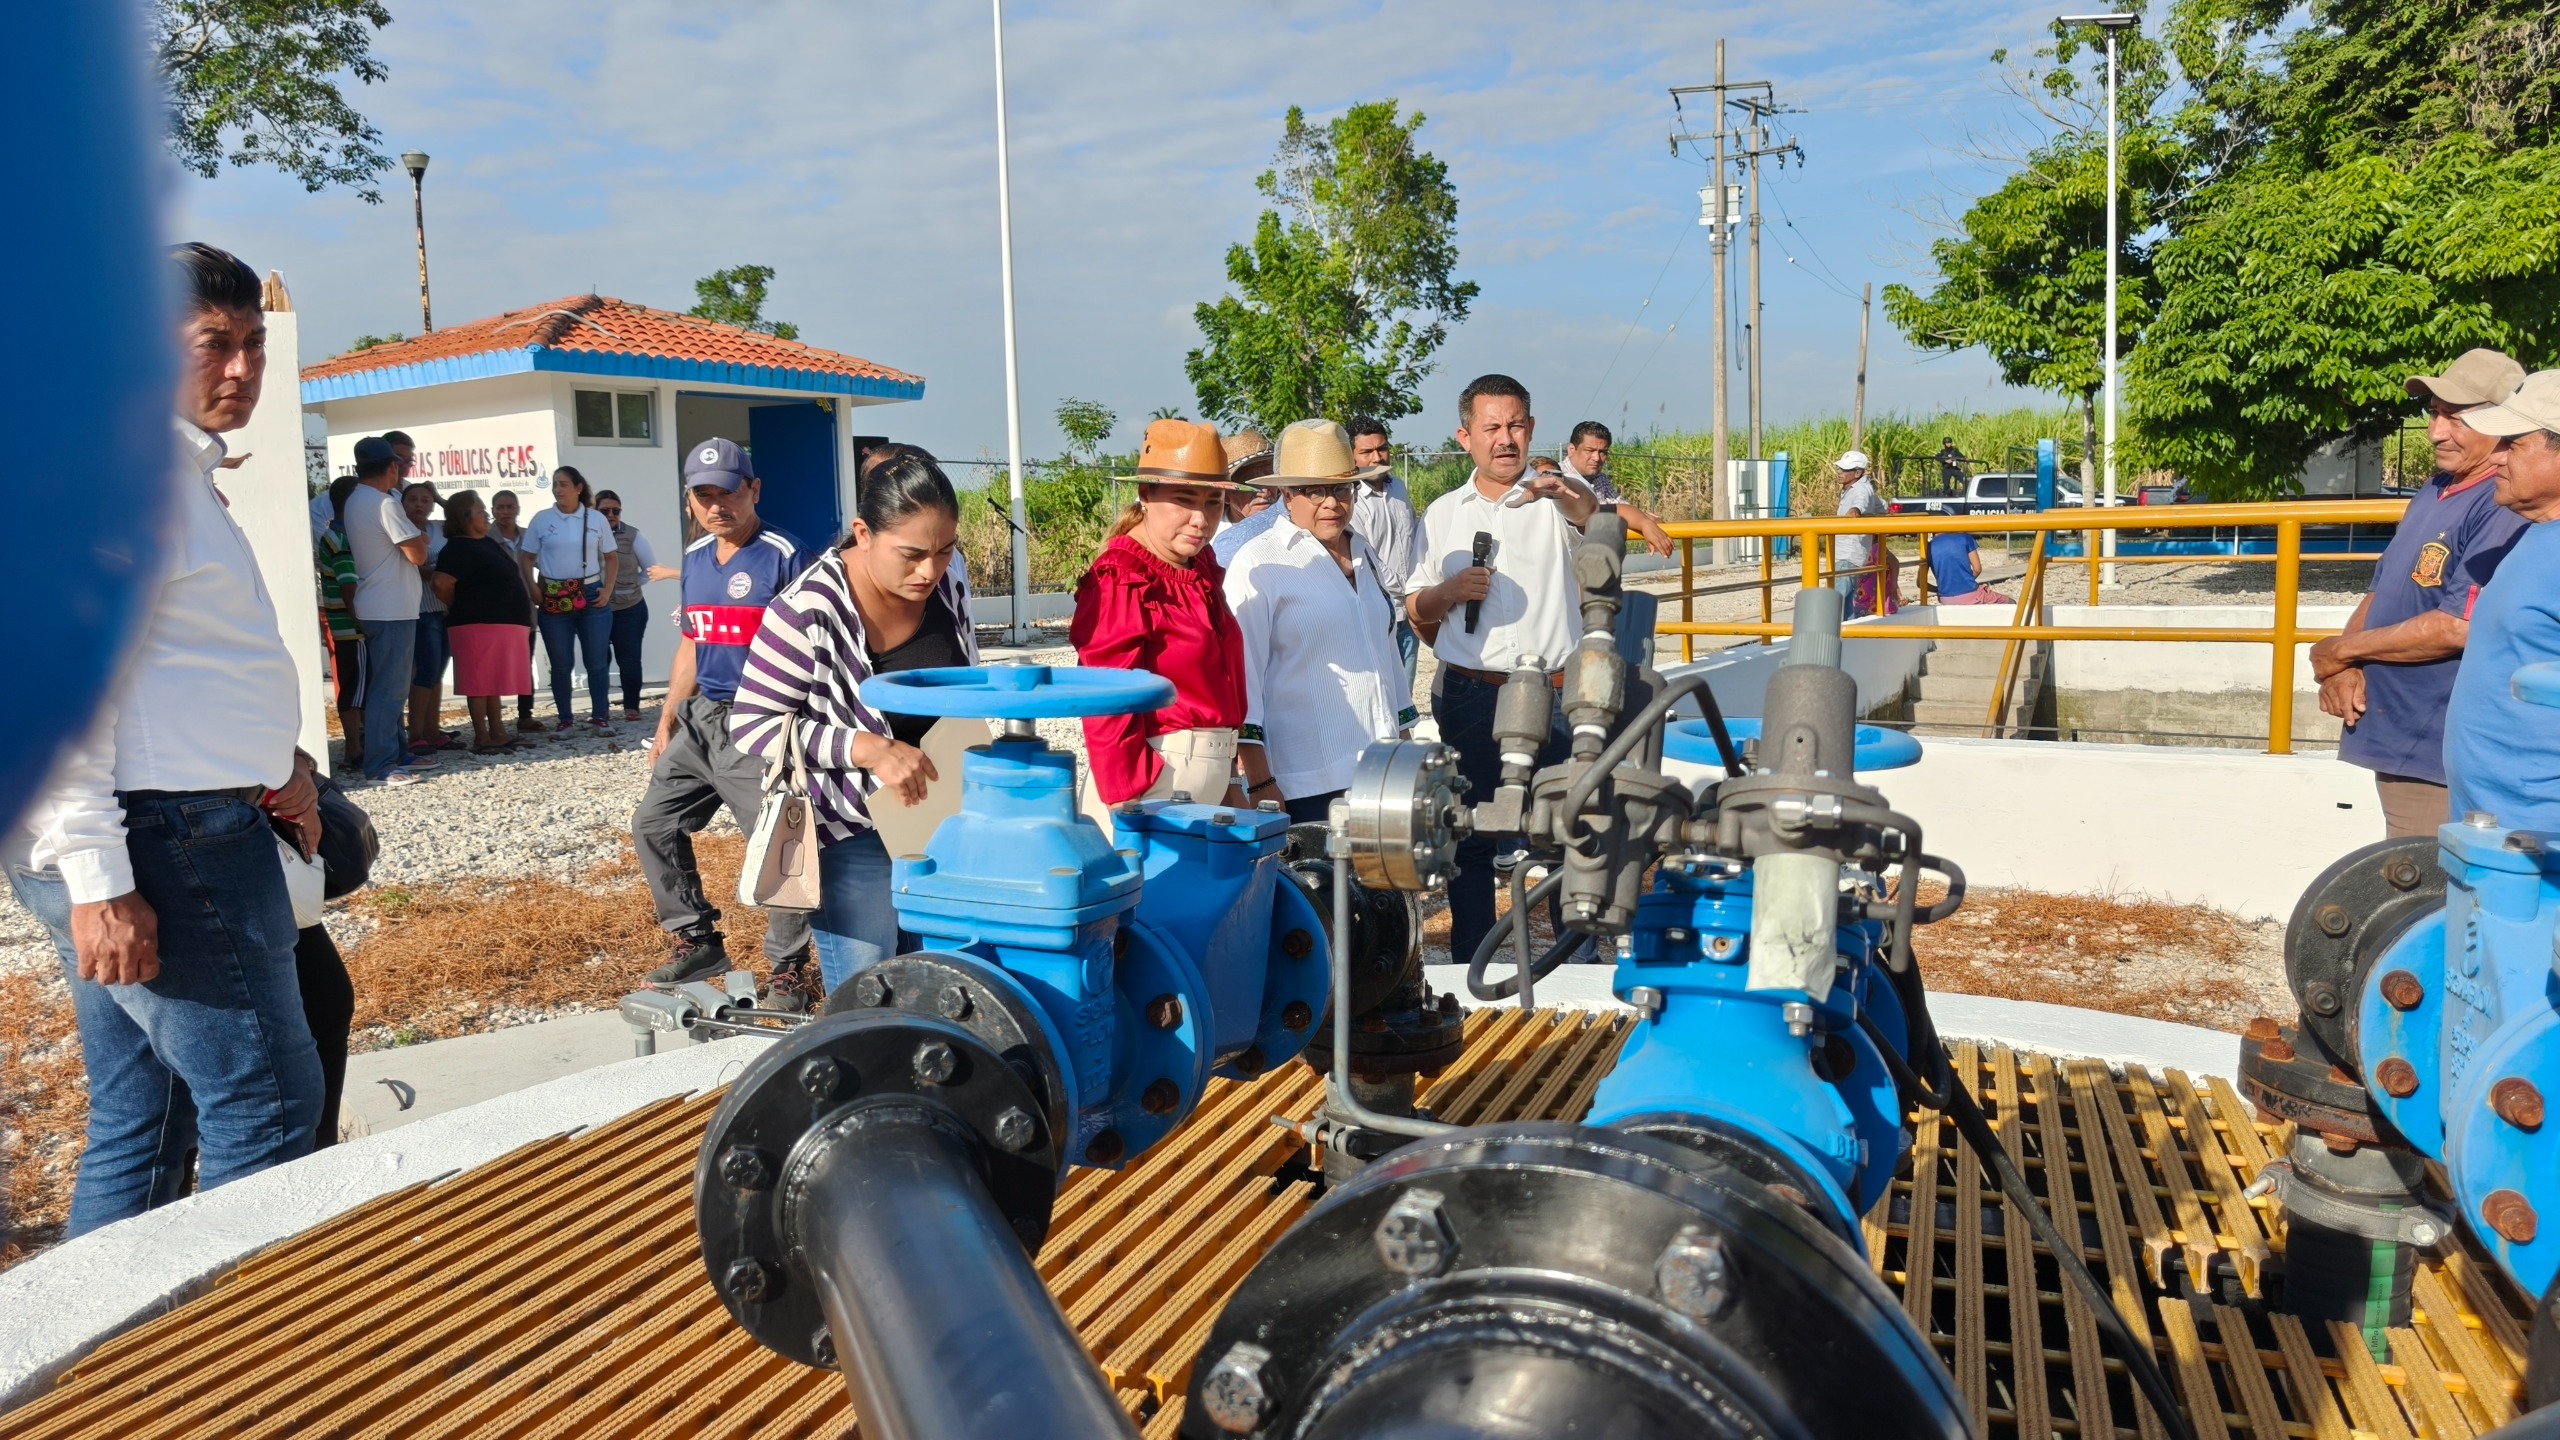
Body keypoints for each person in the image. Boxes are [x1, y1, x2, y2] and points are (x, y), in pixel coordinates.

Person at [9, 242, 323, 1235]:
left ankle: (99, 1369)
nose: (241, 370)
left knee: (147, 1117)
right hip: (163, 844)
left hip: (159, 833)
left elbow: (180, 669)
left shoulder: (151, 476)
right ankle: (244, 1374)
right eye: (211, 345)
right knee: (267, 1113)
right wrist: (102, 883)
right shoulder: (127, 490)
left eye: (254, 346)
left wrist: (284, 764)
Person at [733, 451, 979, 996]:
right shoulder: (807, 610)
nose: (929, 570)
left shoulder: (946, 588)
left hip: (945, 825)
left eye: (945, 551)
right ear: (862, 533)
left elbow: (966, 688)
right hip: (854, 836)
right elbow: (750, 724)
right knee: (872, 998)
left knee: (947, 991)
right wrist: (866, 749)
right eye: (912, 555)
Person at [1404, 374, 1597, 968]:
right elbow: (1415, 607)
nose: (1505, 439)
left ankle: (1580, 964)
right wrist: (1449, 590)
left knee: (1569, 833)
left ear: (1532, 429)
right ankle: (1470, 967)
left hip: (1556, 696)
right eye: (1491, 427)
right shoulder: (1441, 515)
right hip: (1470, 695)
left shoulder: (1560, 500)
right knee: (1468, 835)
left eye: (1515, 425)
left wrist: (1562, 492)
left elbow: (1593, 514)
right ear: (1465, 437)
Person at [2314, 349, 2531, 838]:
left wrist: (2338, 652)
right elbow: (2382, 587)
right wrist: (2344, 666)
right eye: (2434, 414)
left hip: (2436, 739)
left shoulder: (2503, 503)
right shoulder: (2435, 488)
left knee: (2426, 886)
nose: (2436, 432)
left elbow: (2456, 626)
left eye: (2456, 418)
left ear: (2503, 422)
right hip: (2393, 726)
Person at [634, 438, 817, 992]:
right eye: (703, 494)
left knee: (777, 845)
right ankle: (698, 941)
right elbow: (693, 641)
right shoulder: (693, 560)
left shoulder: (786, 554)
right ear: (690, 499)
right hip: (700, 719)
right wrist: (667, 719)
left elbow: (814, 646)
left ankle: (789, 973)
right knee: (653, 824)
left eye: (729, 492)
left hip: (762, 719)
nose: (717, 505)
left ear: (753, 490)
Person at [1227, 421, 1415, 824]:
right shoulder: (1258, 562)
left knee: (1384, 887)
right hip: (1306, 781)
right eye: (1314, 491)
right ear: (1287, 494)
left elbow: (1386, 658)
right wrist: (1260, 783)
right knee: (1322, 886)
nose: (1331, 503)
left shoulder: (1363, 550)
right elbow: (1243, 680)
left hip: (1380, 773)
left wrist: (1406, 750)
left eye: (1341, 489)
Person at [1073, 419, 1252, 807]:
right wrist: (1131, 799)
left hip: (1205, 778)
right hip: (1156, 785)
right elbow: (1106, 700)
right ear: (1145, 494)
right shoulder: (1121, 578)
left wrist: (1231, 779)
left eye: (1212, 503)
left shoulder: (1198, 563)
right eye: (1184, 500)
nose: (1201, 520)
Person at [2440, 370, 2560, 831]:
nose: (2497, 459)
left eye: (2514, 443)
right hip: (2491, 830)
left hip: (2540, 842)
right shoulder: (2533, 534)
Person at [344, 435, 432, 783]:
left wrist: (416, 537)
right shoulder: (385, 504)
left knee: (391, 684)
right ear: (393, 467)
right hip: (391, 606)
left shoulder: (355, 499)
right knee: (390, 688)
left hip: (378, 603)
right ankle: (381, 764)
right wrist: (419, 538)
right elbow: (418, 554)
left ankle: (396, 753)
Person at [433, 490, 537, 754]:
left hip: (501, 622)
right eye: (481, 511)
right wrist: (458, 604)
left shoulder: (486, 542)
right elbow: (442, 582)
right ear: (466, 517)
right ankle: (482, 736)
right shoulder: (457, 547)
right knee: (479, 682)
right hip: (475, 622)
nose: (487, 515)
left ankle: (498, 732)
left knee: (493, 681)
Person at [519, 465, 619, 735]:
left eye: (563, 484)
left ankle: (600, 716)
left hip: (590, 593)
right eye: (555, 484)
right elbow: (526, 557)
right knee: (561, 663)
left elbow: (611, 556)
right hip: (553, 596)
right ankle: (565, 719)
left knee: (597, 660)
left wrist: (608, 589)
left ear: (578, 488)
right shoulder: (542, 519)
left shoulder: (596, 519)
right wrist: (532, 588)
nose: (557, 489)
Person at [1347, 417, 1424, 694]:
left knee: (1406, 693)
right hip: (1379, 609)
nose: (1376, 457)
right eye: (1366, 452)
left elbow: (1414, 539)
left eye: (1382, 449)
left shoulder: (1398, 489)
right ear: (1352, 456)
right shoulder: (1351, 501)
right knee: (1380, 691)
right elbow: (1366, 558)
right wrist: (1406, 589)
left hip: (1410, 609)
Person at [595, 488, 672, 722]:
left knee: (629, 659)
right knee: (598, 659)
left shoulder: (633, 535)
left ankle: (631, 706)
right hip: (597, 607)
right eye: (604, 510)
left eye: (615, 510)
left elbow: (650, 569)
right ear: (594, 512)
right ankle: (601, 709)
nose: (611, 515)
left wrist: (631, 585)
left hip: (630, 608)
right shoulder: (587, 534)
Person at [1559, 421, 1677, 557]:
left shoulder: (1599, 479)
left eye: (1602, 452)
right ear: (1571, 450)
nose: (1596, 458)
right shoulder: (1560, 480)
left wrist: (1645, 521)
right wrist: (1644, 523)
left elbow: (1620, 506)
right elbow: (1599, 512)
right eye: (1590, 451)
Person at [403, 480, 456, 759]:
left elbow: (460, 514)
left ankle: (433, 731)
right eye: (413, 499)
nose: (419, 504)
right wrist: (437, 574)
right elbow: (415, 566)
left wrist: (439, 497)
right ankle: (416, 734)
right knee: (424, 671)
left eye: (425, 499)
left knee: (437, 672)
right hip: (421, 609)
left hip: (444, 609)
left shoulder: (438, 528)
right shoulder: (402, 530)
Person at [316, 473, 365, 768]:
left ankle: (356, 748)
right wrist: (362, 622)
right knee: (355, 690)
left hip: (345, 626)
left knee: (353, 687)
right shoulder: (342, 537)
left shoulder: (333, 534)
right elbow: (349, 587)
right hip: (352, 628)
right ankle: (354, 750)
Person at [490, 489, 540, 732]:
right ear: (492, 511)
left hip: (525, 610)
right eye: (500, 507)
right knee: (494, 666)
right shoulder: (485, 538)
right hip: (496, 612)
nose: (505, 512)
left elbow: (547, 564)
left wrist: (540, 589)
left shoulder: (529, 537)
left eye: (510, 507)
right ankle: (495, 719)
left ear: (518, 509)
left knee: (524, 664)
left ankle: (525, 715)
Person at [1832, 450, 1891, 619]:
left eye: (1844, 470)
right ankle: (1850, 638)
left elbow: (1860, 504)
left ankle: (1831, 637)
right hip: (1850, 554)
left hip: (1848, 556)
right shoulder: (1860, 489)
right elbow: (1882, 507)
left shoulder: (1861, 490)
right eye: (1839, 469)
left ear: (1857, 473)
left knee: (1837, 602)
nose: (1839, 472)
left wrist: (1855, 510)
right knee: (1848, 604)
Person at [1207, 431, 1278, 567]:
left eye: (1268, 478)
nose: (1263, 491)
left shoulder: (1294, 523)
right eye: (1249, 483)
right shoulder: (1209, 539)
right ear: (1225, 494)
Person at [1925, 529, 2011, 605]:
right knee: (2010, 602)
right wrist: (1964, 581)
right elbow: (1977, 569)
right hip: (1971, 594)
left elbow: (1920, 583)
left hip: (1945, 599)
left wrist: (1943, 589)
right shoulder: (1964, 538)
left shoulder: (1928, 547)